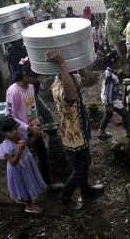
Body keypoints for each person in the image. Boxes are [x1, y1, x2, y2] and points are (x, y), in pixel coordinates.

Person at [47, 49, 104, 211]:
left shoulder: (70, 77)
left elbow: (82, 79)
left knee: (86, 162)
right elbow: (70, 97)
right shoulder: (57, 87)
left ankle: (85, 189)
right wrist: (63, 63)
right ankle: (65, 197)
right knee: (79, 169)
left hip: (81, 131)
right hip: (73, 136)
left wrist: (80, 61)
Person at [5, 57, 55, 187]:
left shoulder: (31, 86)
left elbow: (32, 107)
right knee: (25, 160)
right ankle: (29, 187)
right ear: (25, 74)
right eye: (34, 76)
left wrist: (38, 124)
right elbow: (10, 116)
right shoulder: (13, 92)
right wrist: (28, 128)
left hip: (34, 129)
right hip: (21, 133)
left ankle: (47, 184)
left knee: (43, 155)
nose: (36, 79)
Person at [0, 116, 46, 213]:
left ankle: (24, 198)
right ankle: (29, 205)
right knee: (24, 185)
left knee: (30, 180)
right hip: (18, 170)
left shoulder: (21, 135)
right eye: (10, 131)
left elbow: (30, 142)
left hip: (27, 163)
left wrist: (36, 135)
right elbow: (13, 163)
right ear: (3, 133)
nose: (14, 132)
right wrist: (20, 150)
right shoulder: (6, 146)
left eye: (15, 128)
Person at [98, 51, 130, 139]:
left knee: (108, 114)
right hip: (110, 98)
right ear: (114, 63)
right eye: (119, 61)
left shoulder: (107, 71)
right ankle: (129, 132)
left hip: (106, 96)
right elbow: (109, 91)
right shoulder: (111, 76)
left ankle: (101, 131)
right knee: (125, 114)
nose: (120, 62)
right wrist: (110, 104)